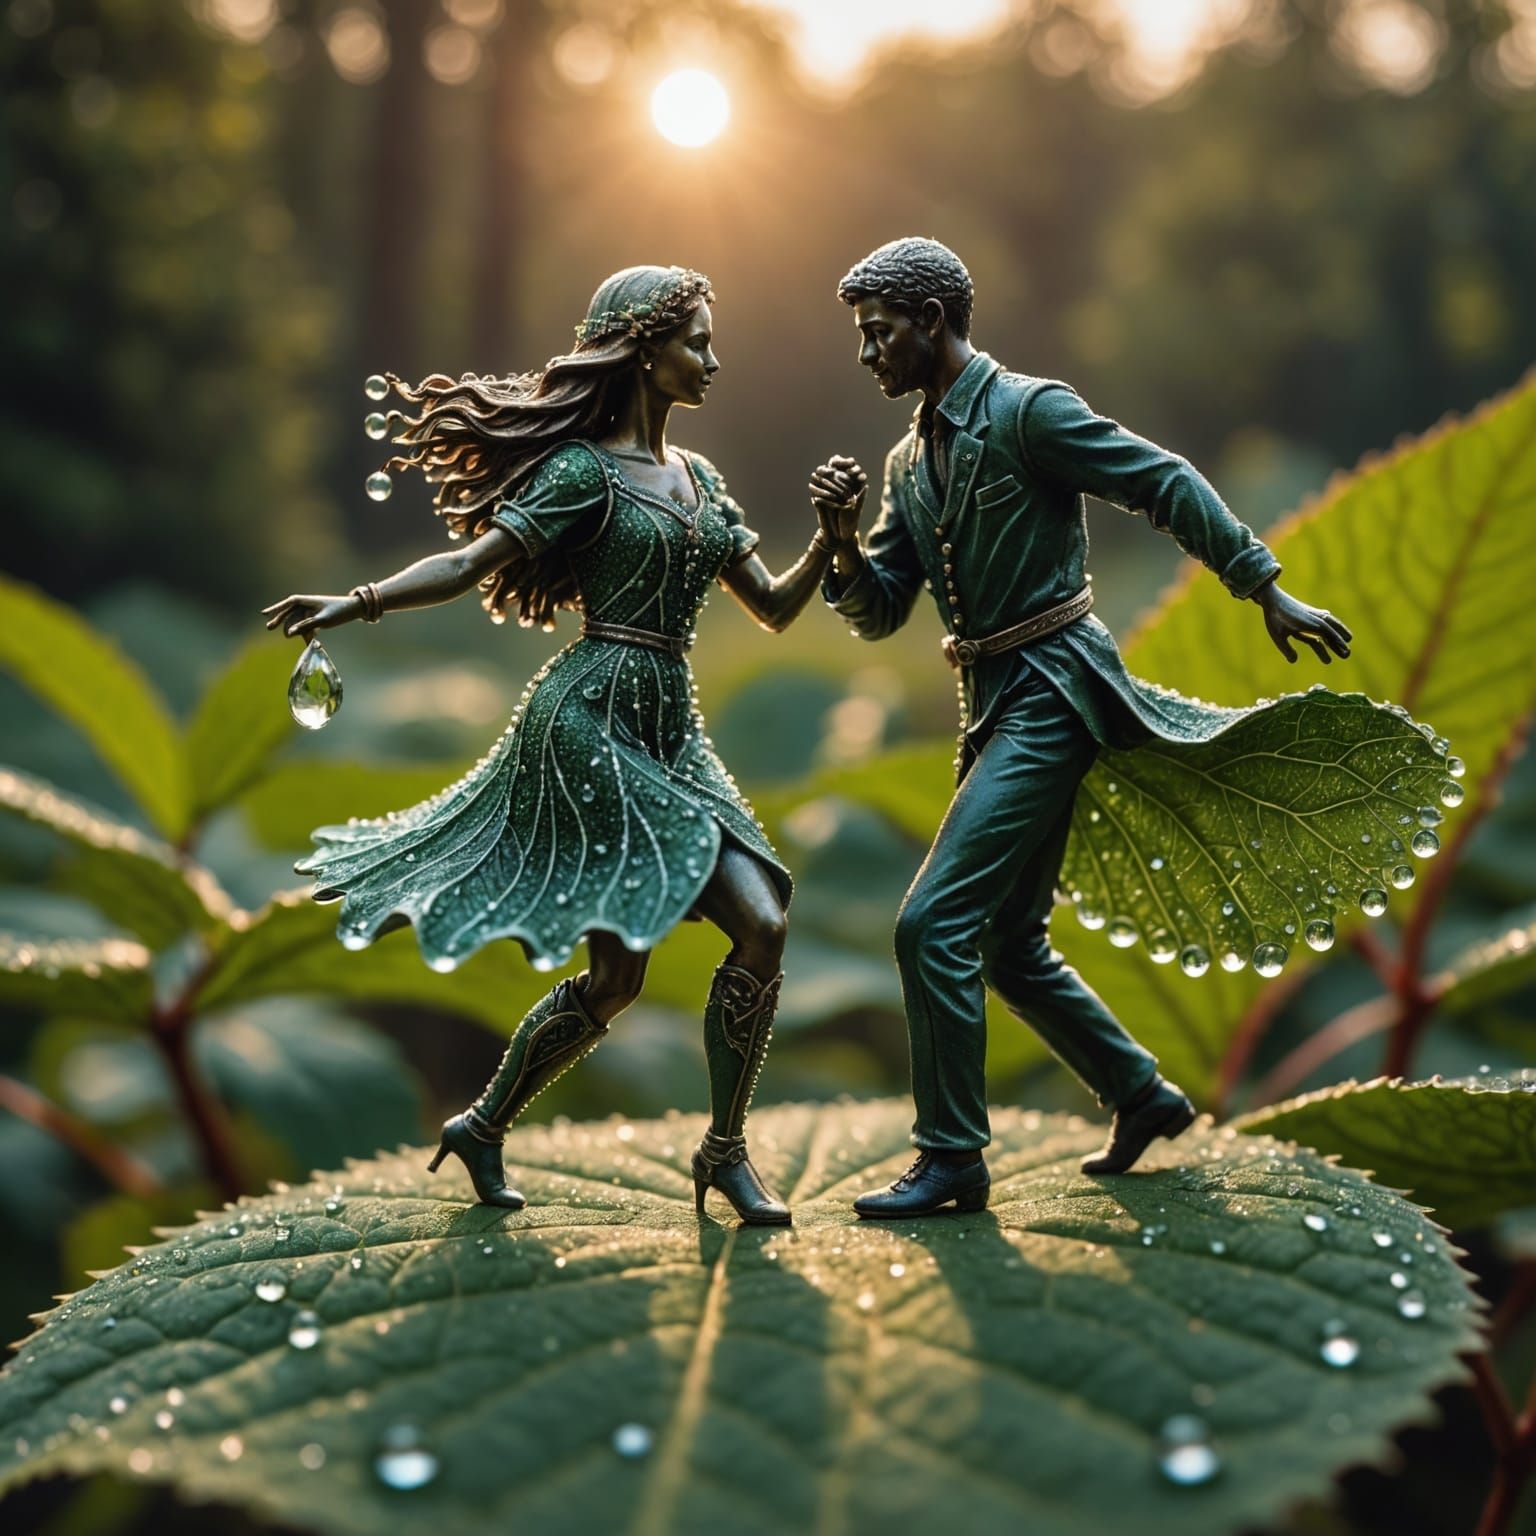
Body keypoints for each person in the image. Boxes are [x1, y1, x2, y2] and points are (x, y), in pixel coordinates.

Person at [263, 265, 843, 1226]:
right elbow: (465, 563)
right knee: (740, 931)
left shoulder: (701, 482)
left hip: (667, 719)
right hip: (589, 719)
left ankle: (497, 1127)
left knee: (656, 966)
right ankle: (714, 1153)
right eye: (695, 339)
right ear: (642, 350)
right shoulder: (583, 474)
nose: (711, 358)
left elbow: (777, 609)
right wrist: (355, 601)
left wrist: (829, 537)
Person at [812, 238, 1354, 1217]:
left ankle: (951, 1161)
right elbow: (886, 606)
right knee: (1010, 943)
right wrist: (843, 548)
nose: (868, 354)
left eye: (878, 331)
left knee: (931, 923)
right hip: (991, 705)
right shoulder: (907, 461)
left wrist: (1262, 586)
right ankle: (1142, 1095)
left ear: (931, 320)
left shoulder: (1030, 412)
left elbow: (1164, 481)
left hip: (1055, 691)